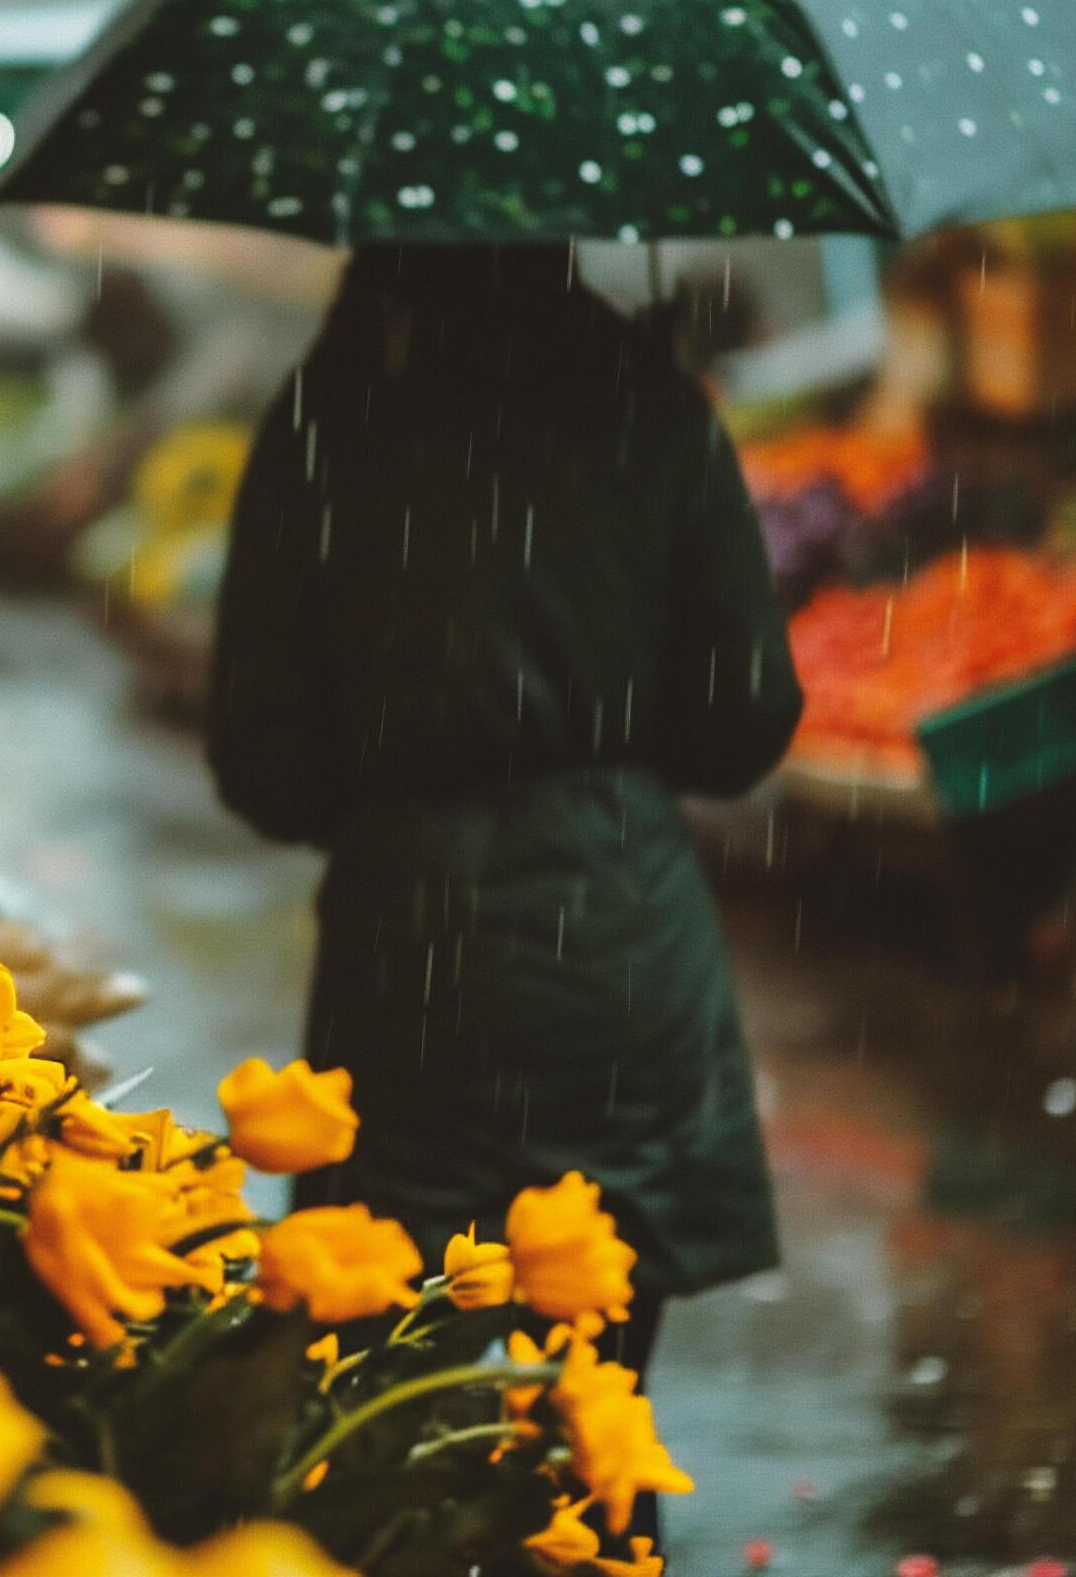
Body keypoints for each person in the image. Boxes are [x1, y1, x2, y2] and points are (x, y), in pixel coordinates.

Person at [205, 240, 799, 1540]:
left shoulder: (332, 420)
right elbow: (746, 721)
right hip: (619, 939)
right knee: (593, 1422)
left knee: (383, 1425)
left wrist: (399, 775)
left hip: (406, 963)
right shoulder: (651, 407)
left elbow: (263, 766)